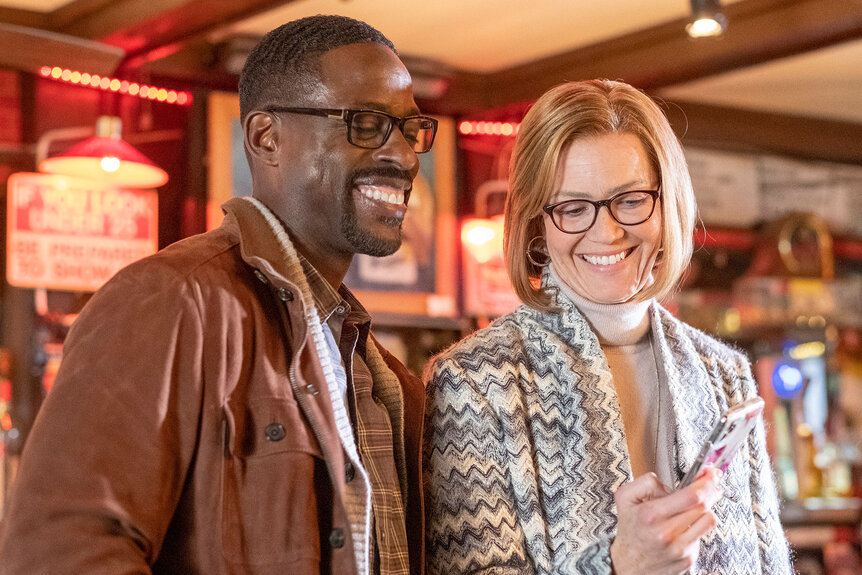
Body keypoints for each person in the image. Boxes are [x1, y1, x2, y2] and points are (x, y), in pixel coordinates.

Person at [0, 15, 435, 575]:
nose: (403, 155)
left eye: (410, 129)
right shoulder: (169, 301)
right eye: (367, 123)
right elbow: (59, 556)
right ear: (265, 137)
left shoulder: (385, 378)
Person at [423, 80, 793, 574]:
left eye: (632, 199)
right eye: (573, 209)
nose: (607, 232)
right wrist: (618, 566)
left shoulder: (724, 373)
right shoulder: (471, 383)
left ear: (668, 205)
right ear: (538, 224)